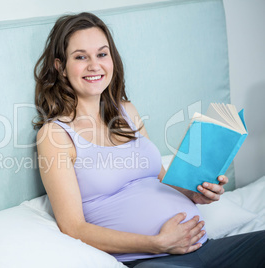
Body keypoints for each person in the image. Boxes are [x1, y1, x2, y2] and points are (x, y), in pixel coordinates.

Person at [33, 12, 265, 267]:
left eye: (102, 54)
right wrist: (157, 243)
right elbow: (74, 227)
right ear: (60, 68)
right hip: (151, 259)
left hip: (203, 246)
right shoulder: (55, 135)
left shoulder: (127, 112)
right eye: (80, 57)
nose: (94, 65)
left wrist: (195, 193)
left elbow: (161, 180)